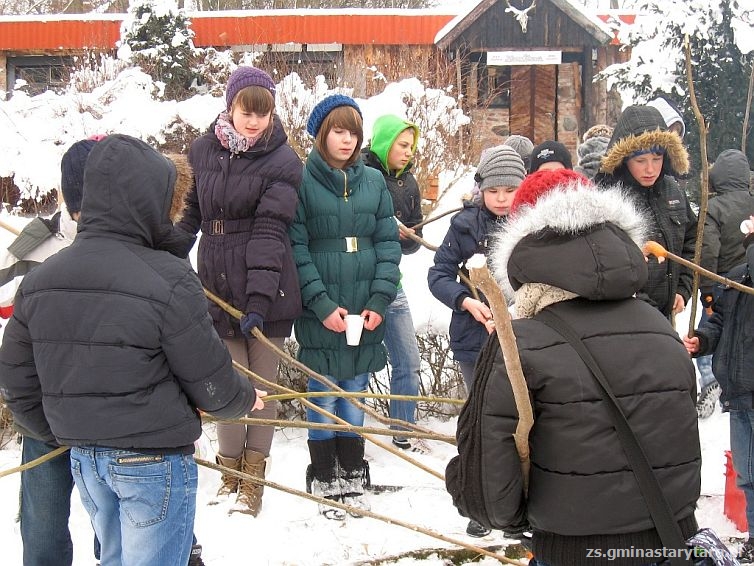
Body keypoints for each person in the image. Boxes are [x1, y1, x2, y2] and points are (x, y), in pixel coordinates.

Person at [0, 134, 262, 566]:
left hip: (87, 460)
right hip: (153, 461)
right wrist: (244, 398)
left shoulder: (43, 279)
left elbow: (15, 381)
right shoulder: (169, 277)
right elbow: (209, 379)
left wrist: (65, 430)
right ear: (152, 201)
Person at [446, 168, 701, 566]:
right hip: (669, 544)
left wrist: (517, 519)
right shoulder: (661, 330)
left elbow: (488, 488)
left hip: (575, 551)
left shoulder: (519, 345)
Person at [176, 65, 303, 516]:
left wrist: (257, 301)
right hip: (215, 281)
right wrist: (173, 247)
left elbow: (271, 232)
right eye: (247, 111)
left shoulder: (284, 161)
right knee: (227, 384)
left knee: (262, 389)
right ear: (230, 106)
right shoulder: (203, 150)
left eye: (263, 113)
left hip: (267, 286)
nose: (254, 121)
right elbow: (193, 211)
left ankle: (254, 482)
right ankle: (229, 474)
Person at [289, 94, 401, 520]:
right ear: (321, 134)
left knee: (355, 384)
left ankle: (353, 464)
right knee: (323, 389)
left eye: (353, 132)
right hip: (324, 300)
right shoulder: (302, 181)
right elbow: (296, 247)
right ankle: (322, 468)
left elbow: (388, 243)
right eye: (338, 130)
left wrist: (379, 299)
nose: (347, 140)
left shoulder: (373, 181)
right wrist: (319, 304)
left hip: (363, 299)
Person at [0, 138, 99, 566]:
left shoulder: (132, 243)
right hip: (49, 409)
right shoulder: (38, 242)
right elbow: (5, 303)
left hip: (103, 412)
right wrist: (25, 250)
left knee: (110, 521)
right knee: (43, 524)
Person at [427, 144, 526, 538]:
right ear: (481, 189)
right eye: (494, 190)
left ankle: (519, 500)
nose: (502, 198)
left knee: (521, 421)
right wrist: (466, 301)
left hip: (521, 339)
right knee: (481, 420)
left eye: (510, 190)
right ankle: (480, 501)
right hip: (475, 340)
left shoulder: (531, 224)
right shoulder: (466, 226)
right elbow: (438, 275)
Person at [683, 220, 754, 563]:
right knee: (747, 473)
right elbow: (721, 320)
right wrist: (703, 339)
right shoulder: (739, 276)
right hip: (738, 392)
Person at [362, 114, 427, 453]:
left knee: (409, 360)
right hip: (358, 285)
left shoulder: (410, 183)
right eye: (402, 145)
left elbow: (415, 241)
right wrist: (386, 227)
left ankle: (403, 431)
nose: (408, 152)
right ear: (386, 143)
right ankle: (345, 437)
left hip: (392, 282)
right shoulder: (361, 173)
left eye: (412, 146)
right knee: (354, 367)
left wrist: (408, 235)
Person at [595, 104, 696, 321]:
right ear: (623, 159)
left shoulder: (673, 190)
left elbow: (693, 239)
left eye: (657, 159)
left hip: (667, 315)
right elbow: (605, 261)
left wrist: (683, 287)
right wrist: (643, 307)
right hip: (624, 317)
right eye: (640, 161)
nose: (650, 169)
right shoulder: (608, 198)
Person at [695, 149, 754, 419]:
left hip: (725, 282)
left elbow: (708, 251)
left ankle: (711, 379)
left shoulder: (713, 208)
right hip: (750, 282)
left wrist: (707, 294)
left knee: (709, 331)